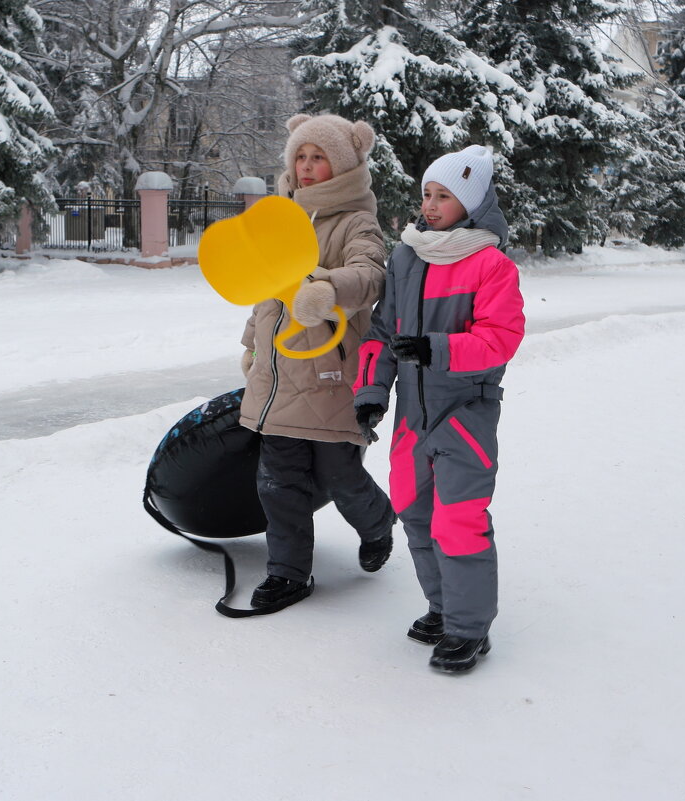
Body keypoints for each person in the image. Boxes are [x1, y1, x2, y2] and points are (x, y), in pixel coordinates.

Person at [353, 145, 525, 673]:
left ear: (470, 203)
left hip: (465, 413)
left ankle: (469, 629)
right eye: (426, 194)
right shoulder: (407, 256)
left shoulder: (490, 264)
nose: (430, 205)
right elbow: (382, 333)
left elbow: (501, 339)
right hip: (411, 415)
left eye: (443, 196)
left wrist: (438, 348)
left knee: (459, 520)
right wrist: (371, 393)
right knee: (414, 510)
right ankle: (441, 607)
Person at [239, 114, 395, 612]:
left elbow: (370, 275)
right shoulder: (281, 215)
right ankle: (287, 574)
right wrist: (251, 344)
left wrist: (328, 288)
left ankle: (376, 523)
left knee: (339, 476)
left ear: (344, 162)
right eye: (300, 156)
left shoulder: (356, 220)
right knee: (278, 481)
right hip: (279, 370)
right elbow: (265, 291)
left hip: (330, 373)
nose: (306, 167)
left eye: (318, 157)